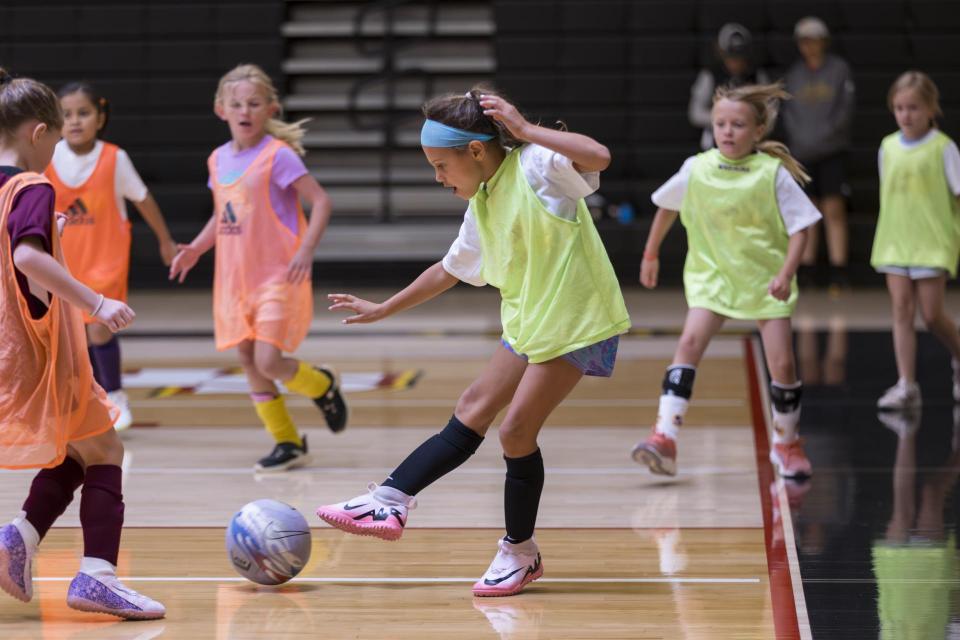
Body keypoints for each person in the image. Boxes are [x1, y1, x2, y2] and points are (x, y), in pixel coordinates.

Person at [315, 86, 630, 597]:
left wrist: (525, 129)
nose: (438, 178)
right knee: (471, 406)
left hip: (577, 321)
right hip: (531, 322)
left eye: (441, 166)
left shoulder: (537, 166)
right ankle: (390, 499)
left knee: (515, 432)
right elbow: (447, 270)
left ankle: (519, 552)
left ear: (477, 151)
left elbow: (599, 156)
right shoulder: (483, 202)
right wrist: (383, 308)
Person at [0, 69, 164, 619]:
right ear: (40, 132)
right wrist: (97, 302)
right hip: (43, 352)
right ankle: (97, 575)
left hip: (11, 349)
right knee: (107, 450)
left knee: (83, 448)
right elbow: (26, 259)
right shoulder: (32, 185)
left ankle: (19, 537)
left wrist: (53, 235)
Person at [632, 83, 821, 479]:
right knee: (688, 344)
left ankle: (786, 443)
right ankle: (664, 437)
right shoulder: (697, 167)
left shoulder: (772, 174)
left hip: (765, 280)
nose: (728, 131)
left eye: (738, 124)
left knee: (783, 363)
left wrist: (786, 273)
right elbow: (666, 207)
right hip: (713, 278)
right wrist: (650, 253)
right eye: (721, 123)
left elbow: (802, 228)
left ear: (758, 131)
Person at [168, 64, 347, 471]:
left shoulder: (276, 156)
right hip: (234, 279)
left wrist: (306, 248)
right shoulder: (216, 159)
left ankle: (322, 384)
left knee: (268, 361)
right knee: (249, 360)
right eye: (236, 104)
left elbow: (321, 201)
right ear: (220, 109)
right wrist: (195, 248)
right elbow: (223, 213)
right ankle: (288, 442)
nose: (244, 109)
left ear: (270, 109)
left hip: (277, 276)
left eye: (253, 102)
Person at [44, 82, 177, 431]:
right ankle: (91, 398)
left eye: (83, 113)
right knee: (74, 334)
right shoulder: (49, 157)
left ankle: (116, 395)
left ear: (100, 117)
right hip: (65, 263)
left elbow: (143, 199)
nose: (75, 121)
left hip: (106, 260)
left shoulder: (114, 158)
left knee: (99, 330)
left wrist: (166, 241)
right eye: (66, 114)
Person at [871, 71, 960, 410]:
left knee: (933, 315)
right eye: (899, 108)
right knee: (901, 311)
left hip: (932, 241)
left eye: (913, 108)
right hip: (894, 239)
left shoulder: (943, 148)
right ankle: (906, 384)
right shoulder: (888, 146)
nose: (906, 115)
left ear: (930, 109)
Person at [782, 16, 855, 292]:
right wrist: (802, 140)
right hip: (802, 152)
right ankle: (808, 268)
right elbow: (788, 115)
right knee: (807, 210)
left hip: (832, 150)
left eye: (813, 40)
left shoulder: (839, 70)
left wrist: (825, 136)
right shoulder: (794, 74)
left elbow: (845, 110)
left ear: (824, 41)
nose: (809, 46)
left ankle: (839, 269)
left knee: (834, 208)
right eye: (804, 41)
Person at [688, 22, 770, 151]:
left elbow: (769, 110)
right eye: (731, 57)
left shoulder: (757, 76)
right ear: (722, 54)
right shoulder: (710, 76)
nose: (735, 63)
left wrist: (747, 121)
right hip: (715, 146)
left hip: (750, 145)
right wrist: (725, 119)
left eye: (739, 57)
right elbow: (695, 113)